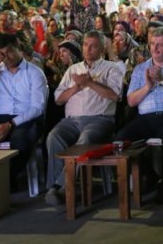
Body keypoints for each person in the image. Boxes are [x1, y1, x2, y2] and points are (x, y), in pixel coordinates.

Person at [44, 31, 124, 206]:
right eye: (86, 44)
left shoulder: (112, 68)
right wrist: (76, 87)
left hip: (99, 119)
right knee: (53, 137)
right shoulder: (73, 69)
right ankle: (55, 187)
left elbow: (115, 95)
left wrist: (89, 83)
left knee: (85, 139)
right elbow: (58, 99)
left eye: (94, 45)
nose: (88, 49)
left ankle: (60, 185)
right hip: (71, 121)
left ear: (102, 49)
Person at [116, 27, 163, 204]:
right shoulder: (140, 69)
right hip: (147, 118)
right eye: (152, 44)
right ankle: (149, 174)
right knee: (120, 139)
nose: (155, 48)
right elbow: (131, 101)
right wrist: (148, 87)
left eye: (160, 45)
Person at [0, 33, 48, 184]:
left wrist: (11, 124)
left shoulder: (34, 72)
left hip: (28, 118)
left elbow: (38, 108)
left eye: (10, 51)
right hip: (1, 119)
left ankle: (4, 182)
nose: (7, 57)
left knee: (20, 141)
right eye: (2, 54)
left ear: (19, 49)